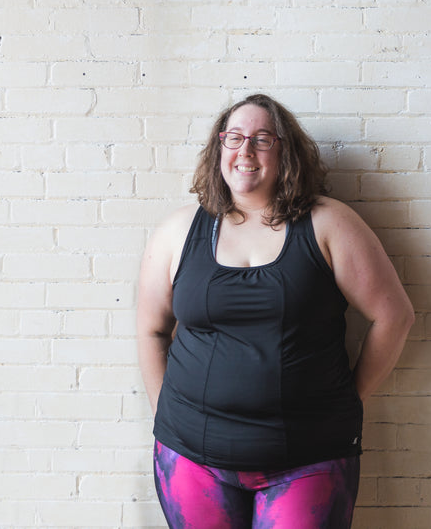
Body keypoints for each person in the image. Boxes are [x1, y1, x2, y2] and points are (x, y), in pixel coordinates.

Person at [136, 93, 415, 528]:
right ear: (219, 149)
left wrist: (347, 396)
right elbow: (152, 331)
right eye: (234, 138)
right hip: (192, 459)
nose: (245, 151)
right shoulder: (178, 231)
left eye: (263, 139)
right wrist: (167, 416)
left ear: (286, 152)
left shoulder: (328, 224)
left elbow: (394, 317)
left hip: (308, 459)